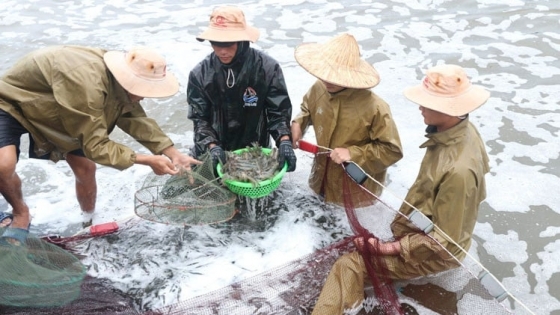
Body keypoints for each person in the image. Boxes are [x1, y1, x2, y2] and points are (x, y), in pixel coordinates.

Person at [311, 64, 491, 314]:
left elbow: (446, 244)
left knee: (350, 265)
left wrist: (387, 248)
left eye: (426, 103)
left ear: (448, 110)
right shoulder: (461, 131)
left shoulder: (458, 171)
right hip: (426, 230)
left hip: (436, 255)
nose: (420, 107)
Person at [0, 45, 200, 245]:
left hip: (58, 107)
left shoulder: (117, 81)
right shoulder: (87, 88)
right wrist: (148, 160)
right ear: (127, 80)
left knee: (86, 169)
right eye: (143, 90)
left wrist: (173, 153)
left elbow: (133, 118)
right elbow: (96, 146)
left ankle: (87, 220)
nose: (144, 96)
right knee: (4, 164)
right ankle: (20, 212)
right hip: (11, 103)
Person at [290, 33, 403, 207]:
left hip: (356, 194)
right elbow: (307, 108)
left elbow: (392, 150)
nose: (327, 81)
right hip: (320, 180)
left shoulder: (376, 107)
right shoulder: (319, 87)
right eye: (325, 74)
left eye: (335, 77)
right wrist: (299, 123)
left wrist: (353, 153)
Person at [187, 6, 296, 173]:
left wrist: (285, 141)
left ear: (242, 41)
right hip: (214, 150)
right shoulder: (199, 74)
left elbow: (278, 112)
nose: (222, 51)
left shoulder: (267, 68)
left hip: (255, 152)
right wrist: (212, 146)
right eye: (216, 43)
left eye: (229, 44)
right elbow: (199, 119)